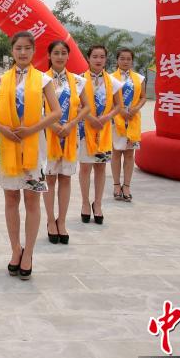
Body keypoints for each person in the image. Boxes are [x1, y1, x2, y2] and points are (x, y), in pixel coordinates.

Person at [0, 32, 61, 280]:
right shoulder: (0, 80)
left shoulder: (43, 80)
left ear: (34, 52)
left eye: (27, 49)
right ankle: (14, 249)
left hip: (34, 146)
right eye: (18, 48)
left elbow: (56, 112)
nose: (22, 53)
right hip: (7, 147)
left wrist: (31, 129)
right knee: (11, 200)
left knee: (32, 201)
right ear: (12, 50)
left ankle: (28, 253)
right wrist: (3, 130)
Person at [43, 40, 89, 245]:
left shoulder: (78, 81)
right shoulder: (41, 80)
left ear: (68, 56)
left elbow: (87, 107)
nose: (60, 57)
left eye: (63, 53)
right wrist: (53, 126)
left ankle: (62, 221)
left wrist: (71, 124)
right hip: (47, 135)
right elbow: (36, 108)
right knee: (50, 179)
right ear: (49, 56)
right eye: (56, 53)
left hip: (70, 135)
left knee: (65, 179)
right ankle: (50, 220)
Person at [78, 45, 124, 225]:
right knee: (85, 168)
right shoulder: (79, 80)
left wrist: (105, 118)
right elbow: (77, 105)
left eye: (102, 57)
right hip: (85, 129)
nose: (98, 60)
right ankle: (84, 203)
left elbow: (118, 105)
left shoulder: (113, 81)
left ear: (106, 59)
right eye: (95, 56)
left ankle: (97, 204)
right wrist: (89, 117)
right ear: (88, 58)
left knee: (100, 167)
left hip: (104, 130)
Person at [110, 48, 146, 203]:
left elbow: (143, 97)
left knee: (130, 154)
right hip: (116, 120)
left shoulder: (139, 78)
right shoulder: (110, 78)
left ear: (132, 61)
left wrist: (135, 108)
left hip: (133, 120)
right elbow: (107, 100)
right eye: (122, 58)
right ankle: (116, 185)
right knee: (117, 152)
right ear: (117, 60)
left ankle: (127, 186)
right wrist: (119, 111)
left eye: (128, 59)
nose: (125, 61)